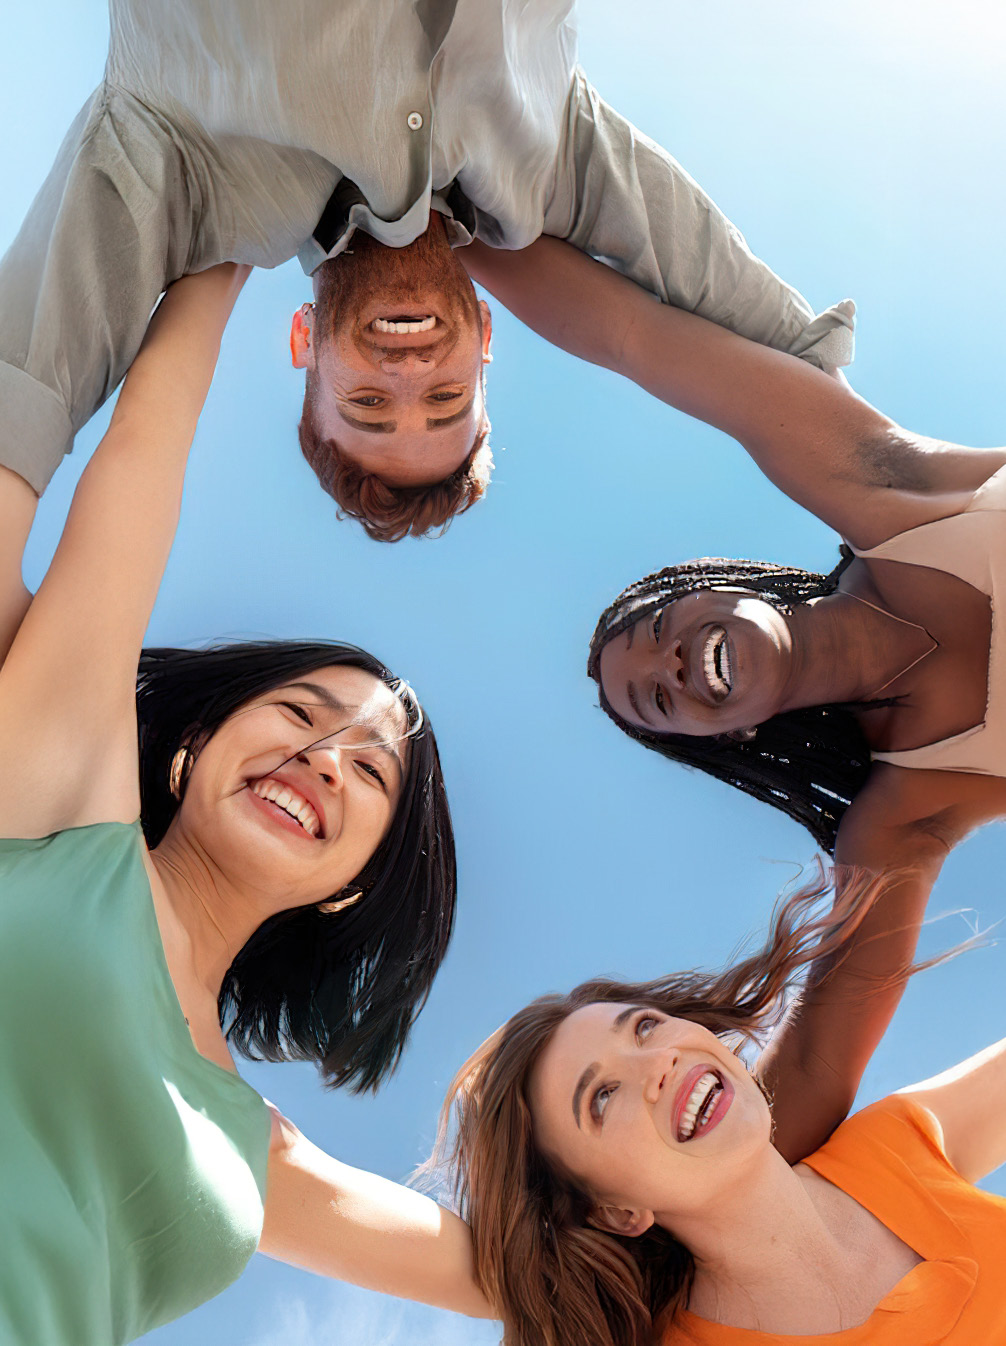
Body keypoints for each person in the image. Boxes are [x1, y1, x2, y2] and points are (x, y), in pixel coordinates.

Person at [0, 261, 492, 1343]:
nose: (325, 757)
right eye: (302, 713)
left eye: (370, 771)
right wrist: (223, 236)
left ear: (352, 887)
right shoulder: (58, 812)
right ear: (190, 748)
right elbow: (140, 462)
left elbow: (537, 1275)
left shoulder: (254, 1143)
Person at [467, 232, 1005, 1152]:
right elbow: (810, 1080)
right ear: (735, 736)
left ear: (723, 586)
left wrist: (437, 220)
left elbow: (634, 336)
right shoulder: (909, 808)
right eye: (657, 701)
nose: (668, 664)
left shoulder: (888, 495)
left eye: (657, 630)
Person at [0, 0, 854, 558]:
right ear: (486, 333)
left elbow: (29, 377)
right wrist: (887, 534)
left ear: (305, 343)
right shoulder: (547, 162)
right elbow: (746, 318)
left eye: (368, 403)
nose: (408, 377)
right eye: (445, 400)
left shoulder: (186, 171)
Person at [436, 872, 1005, 1346]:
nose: (659, 1062)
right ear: (614, 1211)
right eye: (602, 1097)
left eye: (644, 1027)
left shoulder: (894, 1142)